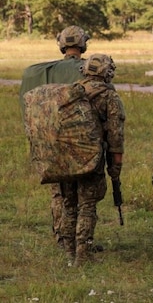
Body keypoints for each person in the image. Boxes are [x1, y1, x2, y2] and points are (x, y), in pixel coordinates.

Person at [19, 25, 91, 244]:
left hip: (50, 142)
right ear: (83, 44)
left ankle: (62, 236)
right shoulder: (89, 69)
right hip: (82, 142)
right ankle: (82, 239)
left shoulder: (39, 72)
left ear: (61, 45)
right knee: (84, 193)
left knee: (59, 191)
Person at [58, 54, 126, 266]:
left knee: (69, 204)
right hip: (91, 160)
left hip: (66, 158)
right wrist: (116, 165)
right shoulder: (109, 97)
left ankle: (69, 253)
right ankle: (83, 254)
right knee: (87, 206)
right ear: (107, 73)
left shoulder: (70, 91)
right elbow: (115, 136)